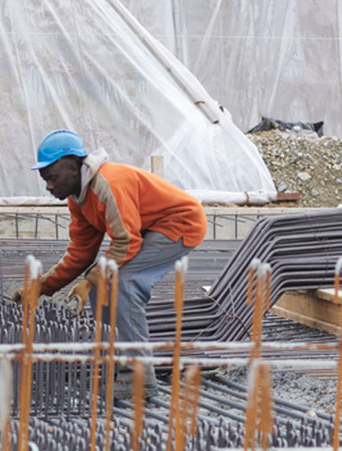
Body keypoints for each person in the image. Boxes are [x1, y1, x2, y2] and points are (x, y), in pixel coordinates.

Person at [20, 130, 205, 395]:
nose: (48, 186)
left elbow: (126, 243)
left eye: (52, 178)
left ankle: (138, 379)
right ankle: (119, 367)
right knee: (102, 285)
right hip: (150, 229)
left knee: (124, 283)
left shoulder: (108, 184)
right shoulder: (78, 199)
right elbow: (81, 253)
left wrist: (88, 282)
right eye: (45, 180)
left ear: (72, 167)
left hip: (180, 223)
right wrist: (41, 287)